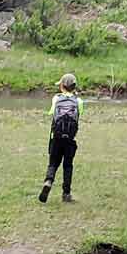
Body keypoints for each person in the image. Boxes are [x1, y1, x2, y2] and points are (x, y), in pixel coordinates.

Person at [39, 72, 81, 204]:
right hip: (70, 139)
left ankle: (48, 181)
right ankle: (66, 194)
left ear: (62, 86)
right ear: (74, 87)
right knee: (68, 165)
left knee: (53, 163)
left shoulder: (56, 99)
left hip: (56, 138)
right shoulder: (78, 101)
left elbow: (51, 113)